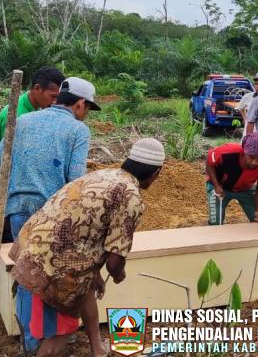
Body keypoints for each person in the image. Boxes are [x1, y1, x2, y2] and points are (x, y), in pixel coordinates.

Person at [9, 138, 166, 357]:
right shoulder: (131, 196)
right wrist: (118, 274)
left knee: (86, 287)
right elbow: (114, 260)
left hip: (33, 246)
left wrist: (94, 274)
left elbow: (86, 232)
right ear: (156, 172)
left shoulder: (104, 175)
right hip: (56, 264)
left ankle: (97, 349)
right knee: (61, 334)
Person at [0, 77, 99, 355]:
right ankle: (50, 342)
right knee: (55, 277)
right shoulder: (77, 130)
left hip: (18, 210)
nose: (86, 114)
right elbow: (75, 181)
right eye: (87, 108)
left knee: (26, 275)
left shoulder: (24, 121)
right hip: (53, 216)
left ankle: (30, 342)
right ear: (80, 104)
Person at [0, 67, 66, 313]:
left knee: (9, 243)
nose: (55, 102)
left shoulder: (39, 111)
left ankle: (2, 298)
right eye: (52, 96)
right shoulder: (16, 114)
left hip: (16, 188)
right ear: (36, 89)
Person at [206, 133, 258, 225]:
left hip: (245, 189)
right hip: (220, 188)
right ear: (244, 151)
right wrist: (216, 185)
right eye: (251, 157)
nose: (255, 162)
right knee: (215, 223)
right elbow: (209, 161)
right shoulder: (227, 152)